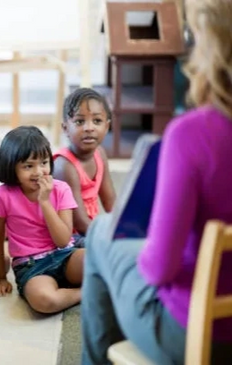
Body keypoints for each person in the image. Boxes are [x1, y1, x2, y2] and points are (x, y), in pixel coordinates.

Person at [81, 0, 232, 364]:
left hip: (198, 335)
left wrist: (150, 241)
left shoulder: (194, 134)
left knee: (102, 231)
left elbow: (159, 268)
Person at [0, 126, 84, 314]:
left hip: (64, 255)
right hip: (30, 266)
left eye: (44, 163)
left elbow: (63, 240)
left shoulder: (61, 189)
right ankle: (85, 292)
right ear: (11, 166)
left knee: (98, 261)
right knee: (44, 301)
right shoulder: (2, 195)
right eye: (28, 166)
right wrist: (0, 277)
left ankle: (79, 286)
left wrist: (45, 202)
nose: (39, 172)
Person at [53, 88, 116, 247]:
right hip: (68, 237)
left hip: (88, 229)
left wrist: (125, 228)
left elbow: (111, 202)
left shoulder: (99, 154)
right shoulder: (65, 166)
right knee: (108, 250)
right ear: (66, 128)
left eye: (97, 121)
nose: (89, 128)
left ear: (107, 126)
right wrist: (109, 238)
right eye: (80, 122)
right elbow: (79, 222)